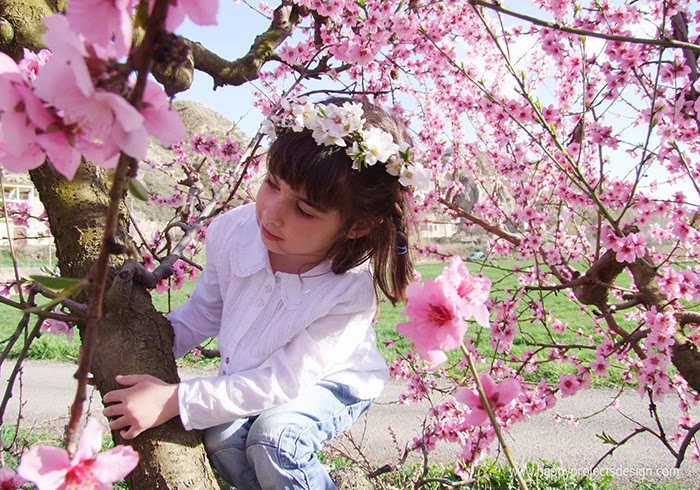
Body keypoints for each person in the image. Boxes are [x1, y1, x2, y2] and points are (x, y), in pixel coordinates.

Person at [102, 96, 430, 489]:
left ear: (357, 226)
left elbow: (282, 382)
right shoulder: (232, 233)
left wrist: (175, 400)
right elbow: (204, 312)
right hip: (260, 375)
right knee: (221, 439)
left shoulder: (349, 291)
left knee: (275, 440)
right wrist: (133, 350)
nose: (272, 212)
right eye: (272, 184)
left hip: (334, 379)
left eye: (304, 211)